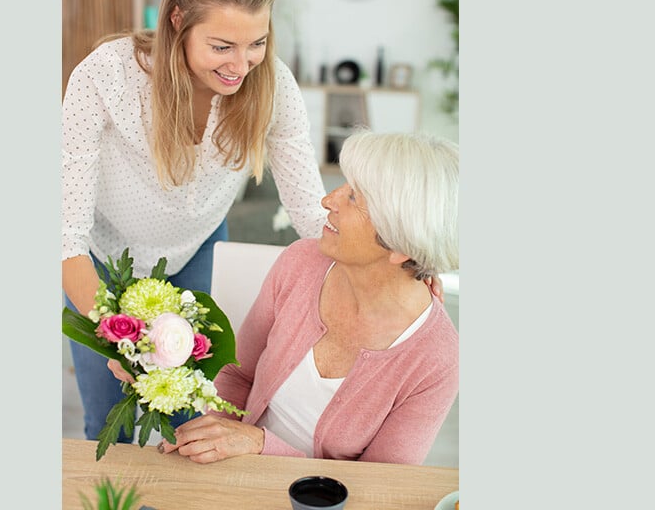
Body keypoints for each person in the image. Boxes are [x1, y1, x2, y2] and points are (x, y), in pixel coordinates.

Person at [61, 0, 330, 443]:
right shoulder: (105, 77)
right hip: (100, 259)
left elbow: (313, 216)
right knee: (108, 422)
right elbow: (64, 238)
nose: (241, 65)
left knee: (195, 420)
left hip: (196, 251)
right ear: (178, 20)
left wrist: (396, 270)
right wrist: (123, 342)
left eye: (258, 43)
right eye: (222, 45)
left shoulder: (274, 87)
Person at [116, 130, 460, 464]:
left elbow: (379, 490)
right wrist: (215, 436)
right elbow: (238, 374)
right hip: (236, 471)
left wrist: (260, 444)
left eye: (354, 197)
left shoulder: (436, 359)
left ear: (400, 243)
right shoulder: (301, 262)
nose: (328, 200)